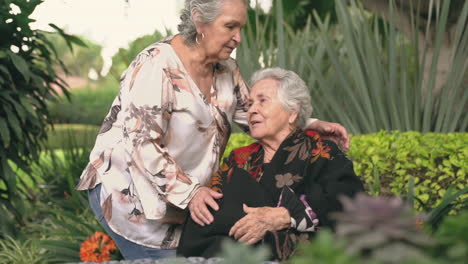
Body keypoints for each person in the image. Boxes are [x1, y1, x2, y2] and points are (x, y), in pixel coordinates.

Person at [76, 0, 350, 260]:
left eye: (240, 28)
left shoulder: (226, 69)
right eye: (230, 27)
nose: (238, 38)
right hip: (132, 196)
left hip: (183, 199)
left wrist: (311, 123)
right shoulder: (155, 66)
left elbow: (253, 113)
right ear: (199, 21)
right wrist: (192, 193)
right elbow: (141, 144)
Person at [177, 68, 364, 260]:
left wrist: (287, 215)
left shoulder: (321, 151)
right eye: (250, 104)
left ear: (292, 112)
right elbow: (209, 217)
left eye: (262, 101)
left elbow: (350, 204)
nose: (252, 110)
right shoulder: (239, 159)